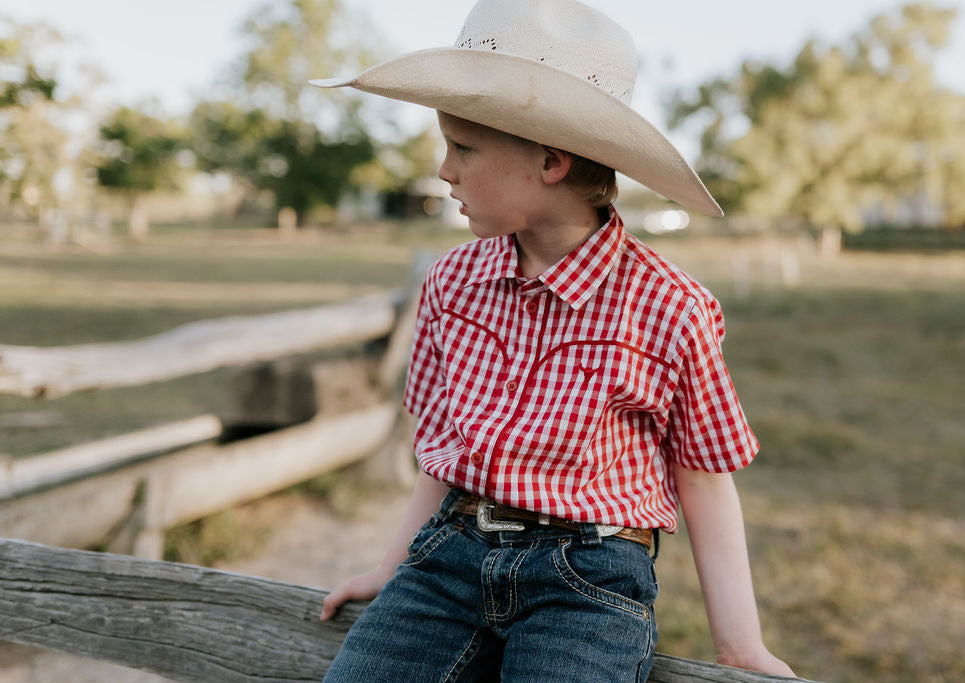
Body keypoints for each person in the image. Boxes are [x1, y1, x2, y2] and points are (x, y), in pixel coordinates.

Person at [312, 1, 795, 680]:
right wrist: (392, 566)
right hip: (449, 554)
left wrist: (741, 646)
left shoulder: (669, 306)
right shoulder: (452, 281)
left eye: (463, 147)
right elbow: (441, 453)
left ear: (551, 160)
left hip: (588, 579)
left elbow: (705, 479)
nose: (445, 171)